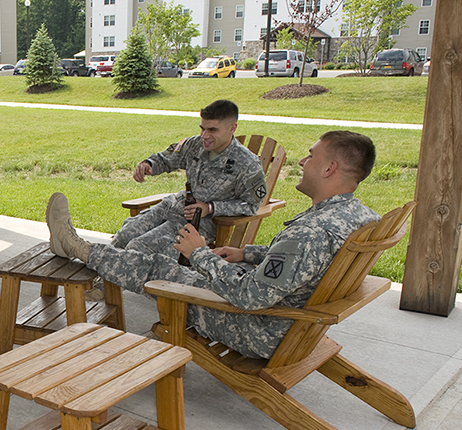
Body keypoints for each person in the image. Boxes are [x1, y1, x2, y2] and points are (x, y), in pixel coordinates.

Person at [46, 131, 378, 360]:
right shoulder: (357, 216)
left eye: (310, 156)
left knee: (161, 269)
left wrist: (199, 253)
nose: (304, 163)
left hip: (258, 328)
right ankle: (82, 250)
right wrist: (247, 252)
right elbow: (304, 263)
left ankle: (77, 247)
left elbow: (250, 296)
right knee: (157, 250)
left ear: (330, 168)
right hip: (290, 319)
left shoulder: (311, 232)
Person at [114, 99, 267, 256]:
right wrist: (148, 164)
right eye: (202, 128)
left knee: (139, 249)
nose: (205, 135)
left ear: (232, 128)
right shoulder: (194, 145)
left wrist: (210, 208)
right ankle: (106, 280)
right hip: (172, 206)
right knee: (121, 238)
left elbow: (250, 205)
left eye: (212, 130)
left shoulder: (247, 163)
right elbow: (166, 159)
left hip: (198, 224)